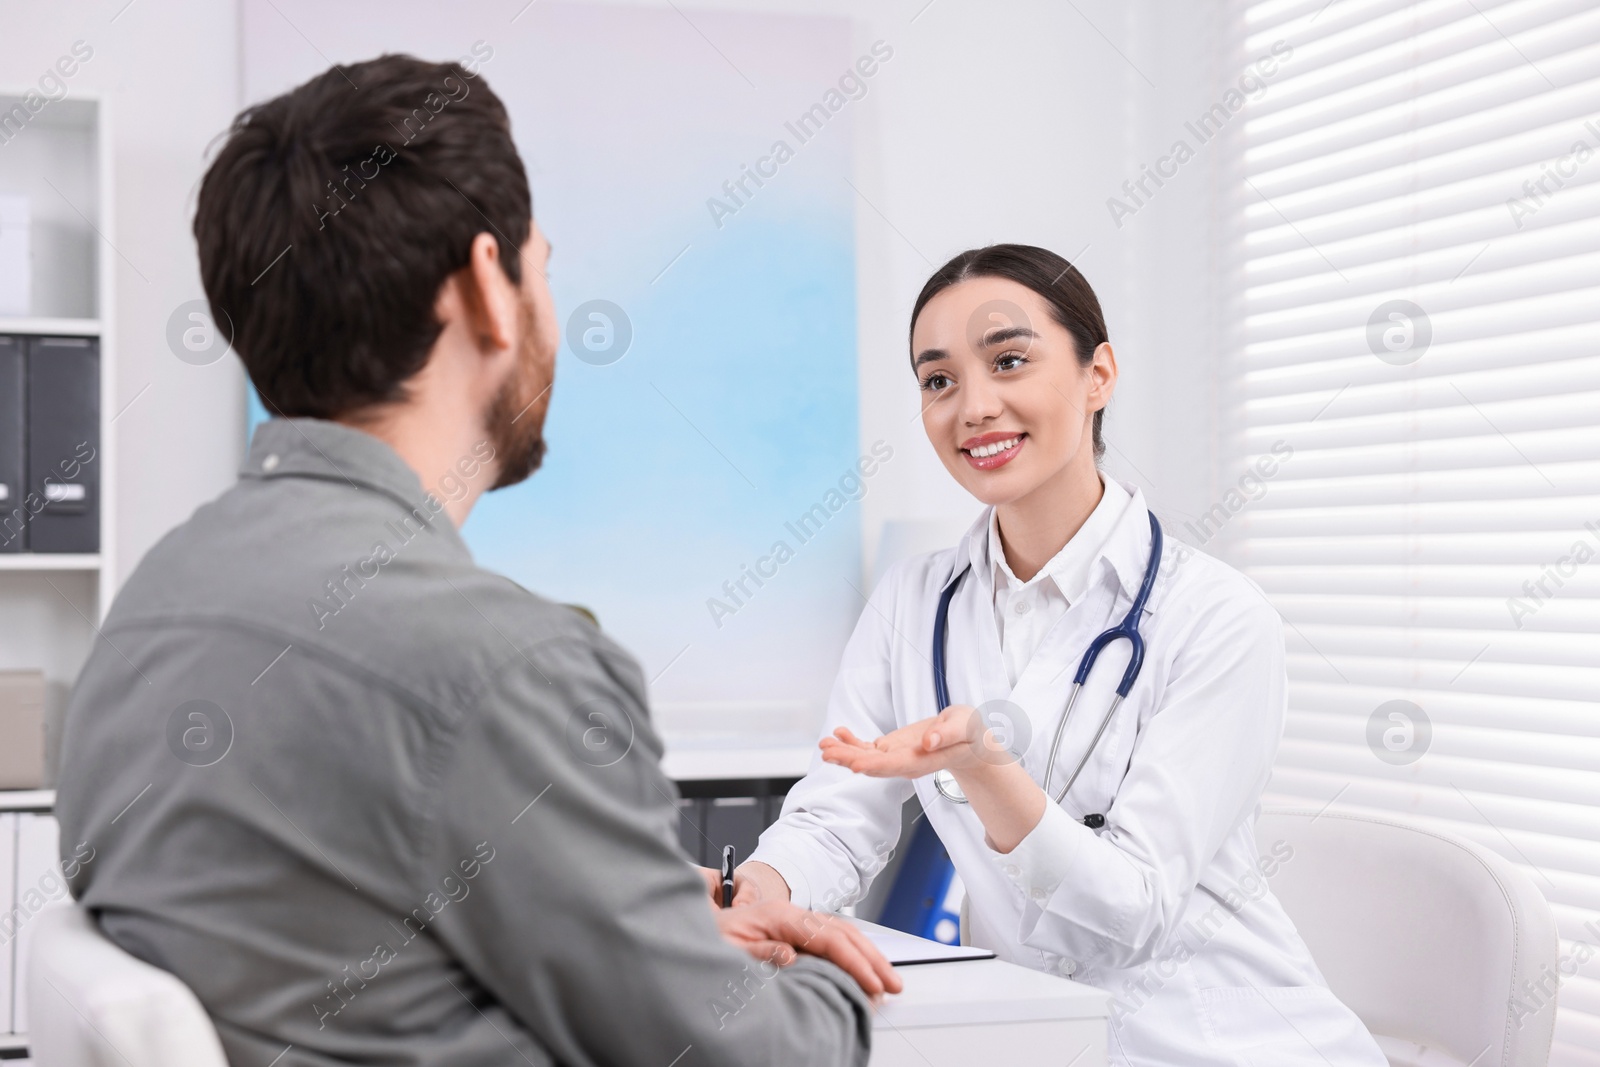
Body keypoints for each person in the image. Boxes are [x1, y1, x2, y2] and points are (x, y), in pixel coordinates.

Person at [53, 54, 897, 1067]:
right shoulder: (500, 665)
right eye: (542, 265)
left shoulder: (151, 608)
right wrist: (820, 980)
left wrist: (655, 937)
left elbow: (345, 934)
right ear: (486, 287)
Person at [724, 245, 1388, 1065]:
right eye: (938, 380)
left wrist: (984, 767)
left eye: (1009, 361)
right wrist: (759, 889)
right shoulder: (913, 602)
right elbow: (837, 815)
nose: (973, 406)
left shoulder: (1216, 616)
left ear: (1097, 374)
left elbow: (1136, 908)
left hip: (1222, 1045)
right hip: (1036, 1037)